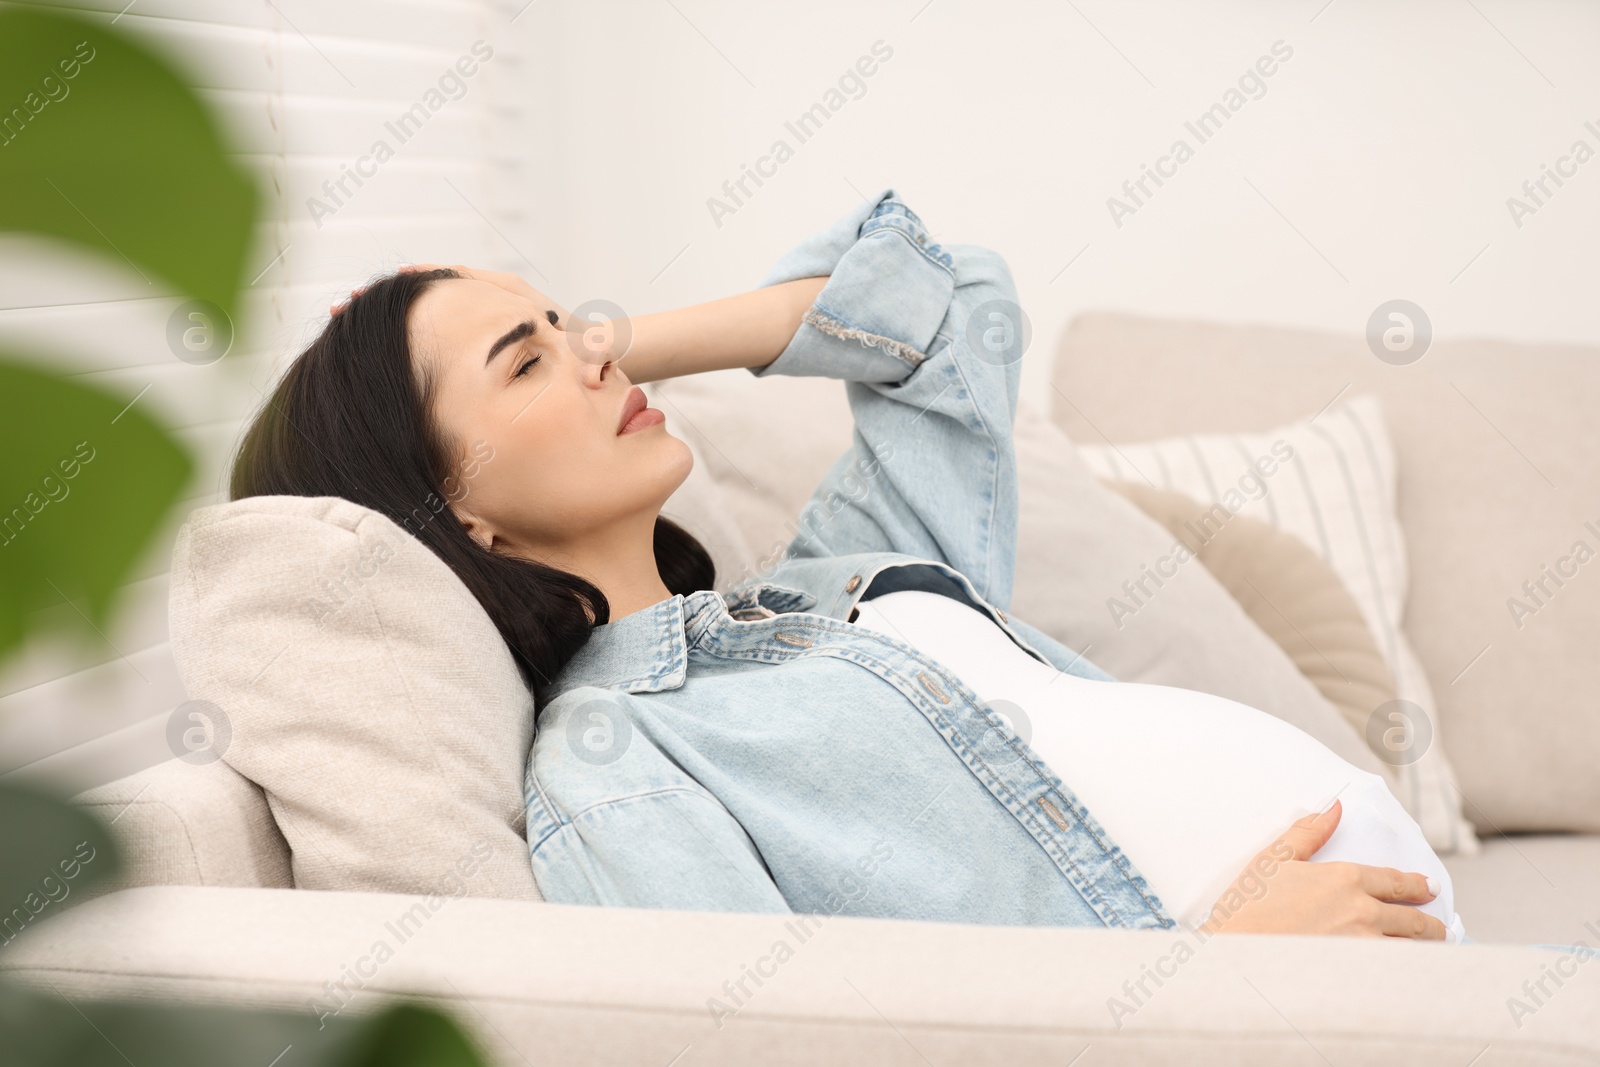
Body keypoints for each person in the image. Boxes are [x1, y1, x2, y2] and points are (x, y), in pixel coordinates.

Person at [232, 189, 1458, 941]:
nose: (592, 356)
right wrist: (1207, 983)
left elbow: (948, 306)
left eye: (574, 324)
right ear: (464, 521)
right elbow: (786, 1035)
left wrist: (608, 340)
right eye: (523, 361)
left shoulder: (823, 586)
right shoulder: (619, 761)